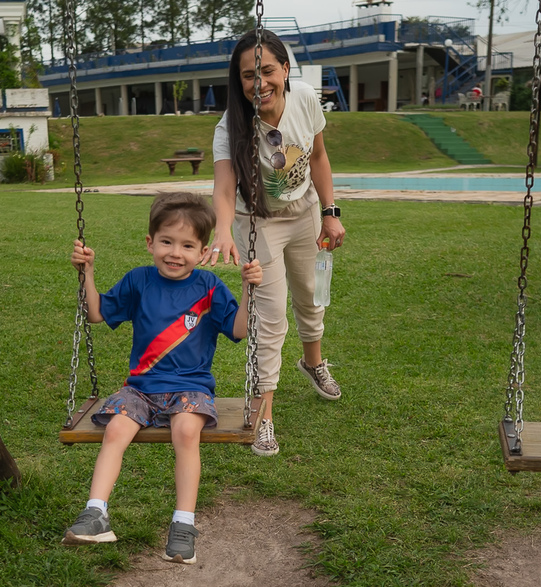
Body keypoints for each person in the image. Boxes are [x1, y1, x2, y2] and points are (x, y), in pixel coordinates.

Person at [62, 192, 263, 560]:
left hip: (191, 387)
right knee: (116, 428)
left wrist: (249, 289)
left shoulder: (209, 287)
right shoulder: (139, 282)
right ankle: (95, 513)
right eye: (167, 242)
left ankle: (183, 523)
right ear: (150, 243)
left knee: (187, 432)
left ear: (203, 252)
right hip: (140, 388)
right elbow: (95, 314)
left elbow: (238, 330)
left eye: (188, 245)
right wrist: (86, 272)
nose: (175, 253)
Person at [205, 30, 345, 457]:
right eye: (249, 75)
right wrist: (224, 229)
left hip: (303, 215)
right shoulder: (230, 127)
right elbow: (225, 188)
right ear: (239, 81)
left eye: (267, 70)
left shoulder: (305, 100)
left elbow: (318, 157)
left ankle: (313, 363)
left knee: (311, 298)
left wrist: (330, 210)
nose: (259, 82)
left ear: (285, 69)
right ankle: (264, 414)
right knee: (269, 320)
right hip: (258, 224)